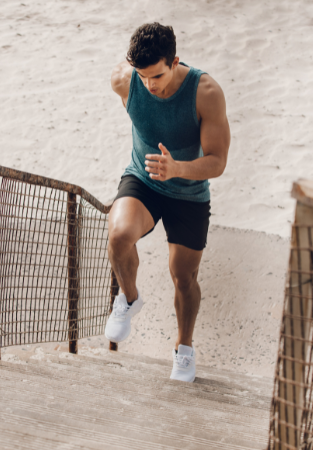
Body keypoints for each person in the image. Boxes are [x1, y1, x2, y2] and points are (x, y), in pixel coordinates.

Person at [102, 22, 231, 383]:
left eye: (157, 76)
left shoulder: (205, 92)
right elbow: (139, 99)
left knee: (184, 278)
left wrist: (177, 168)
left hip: (188, 190)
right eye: (142, 77)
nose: (150, 85)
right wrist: (158, 167)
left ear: (174, 61)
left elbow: (218, 161)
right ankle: (129, 299)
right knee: (118, 236)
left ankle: (184, 348)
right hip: (144, 179)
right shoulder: (124, 81)